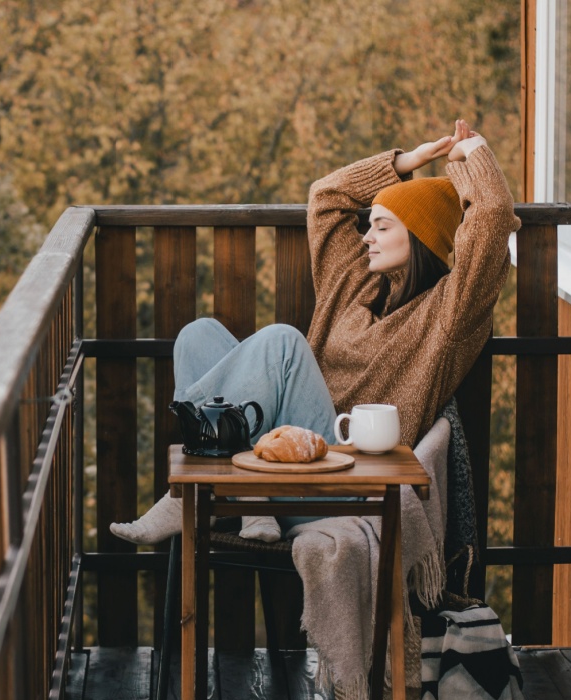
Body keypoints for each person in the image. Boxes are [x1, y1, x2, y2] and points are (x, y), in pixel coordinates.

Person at [110, 119, 519, 544]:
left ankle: (196, 488)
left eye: (382, 226)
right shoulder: (351, 283)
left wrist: (473, 153)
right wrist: (408, 161)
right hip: (285, 462)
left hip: (341, 485)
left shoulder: (448, 314)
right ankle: (246, 498)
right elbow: (326, 196)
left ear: (419, 239)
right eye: (369, 225)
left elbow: (491, 217)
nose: (367, 238)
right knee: (198, 334)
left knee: (284, 342)